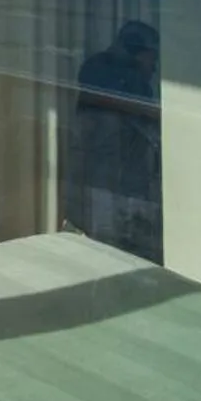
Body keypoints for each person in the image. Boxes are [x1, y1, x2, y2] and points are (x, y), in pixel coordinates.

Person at [67, 20, 162, 263]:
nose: (155, 66)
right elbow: (117, 103)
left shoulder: (110, 71)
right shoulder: (105, 70)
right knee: (105, 239)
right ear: (138, 52)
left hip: (118, 176)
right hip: (103, 174)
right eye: (152, 57)